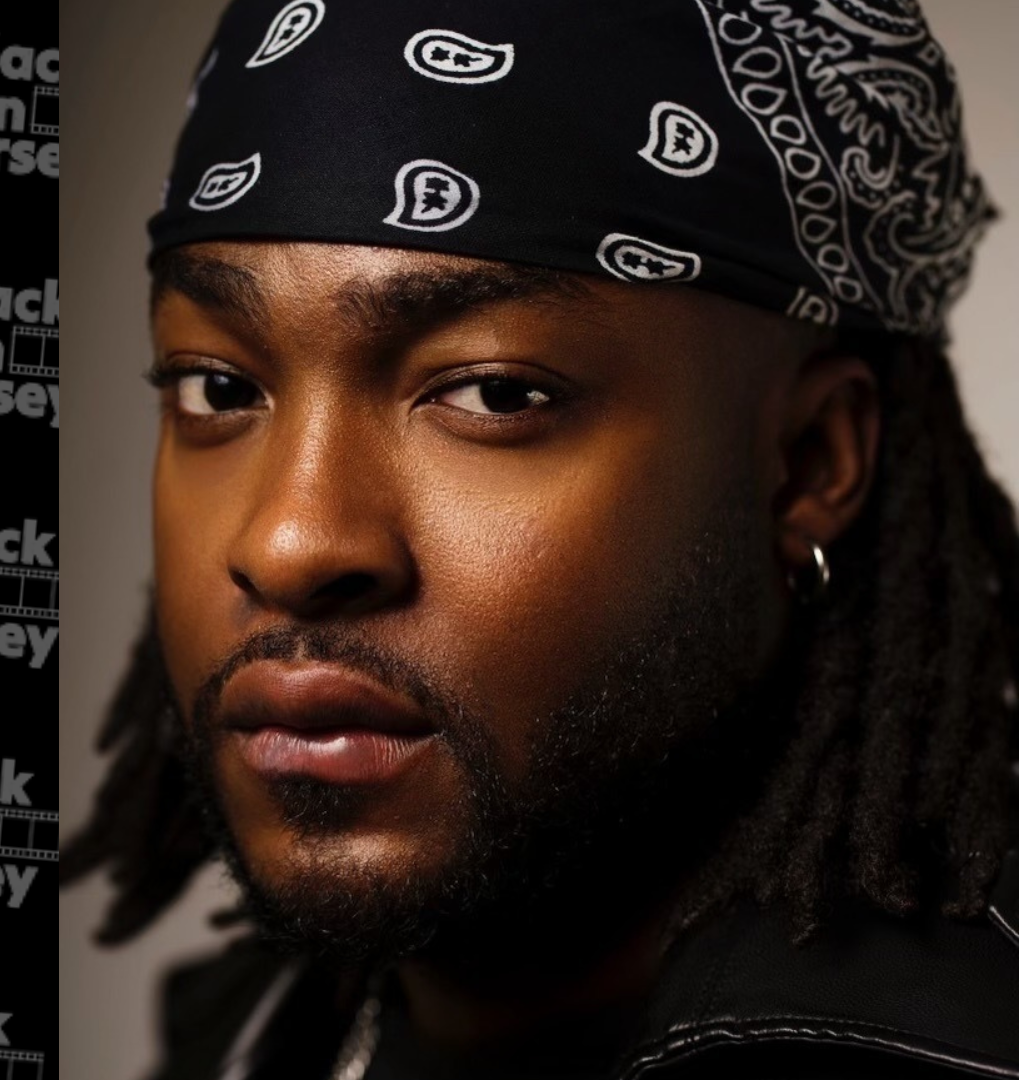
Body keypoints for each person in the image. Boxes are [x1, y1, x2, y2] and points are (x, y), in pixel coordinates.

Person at [59, 1, 1019, 1077]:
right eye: (219, 386)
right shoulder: (247, 1040)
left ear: (805, 464)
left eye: (496, 392)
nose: (289, 541)